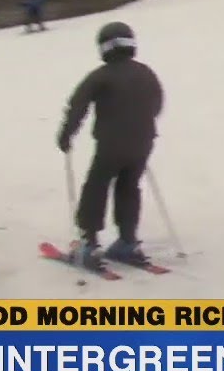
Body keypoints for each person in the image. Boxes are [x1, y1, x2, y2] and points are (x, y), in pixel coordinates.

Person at [56, 22, 164, 270]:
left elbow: (78, 106)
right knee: (129, 187)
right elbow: (157, 102)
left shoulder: (101, 76)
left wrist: (66, 135)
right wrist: (142, 122)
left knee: (96, 187)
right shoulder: (146, 72)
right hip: (142, 142)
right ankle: (127, 241)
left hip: (111, 144)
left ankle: (89, 243)